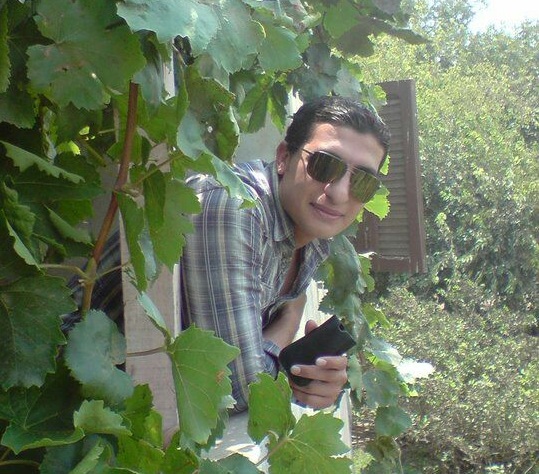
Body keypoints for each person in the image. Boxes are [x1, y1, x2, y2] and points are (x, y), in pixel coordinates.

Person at [180, 95, 390, 412]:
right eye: (324, 165)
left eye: (362, 182)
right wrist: (288, 324)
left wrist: (314, 381)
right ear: (283, 157)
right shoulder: (234, 208)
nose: (339, 193)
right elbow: (235, 389)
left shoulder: (311, 236)